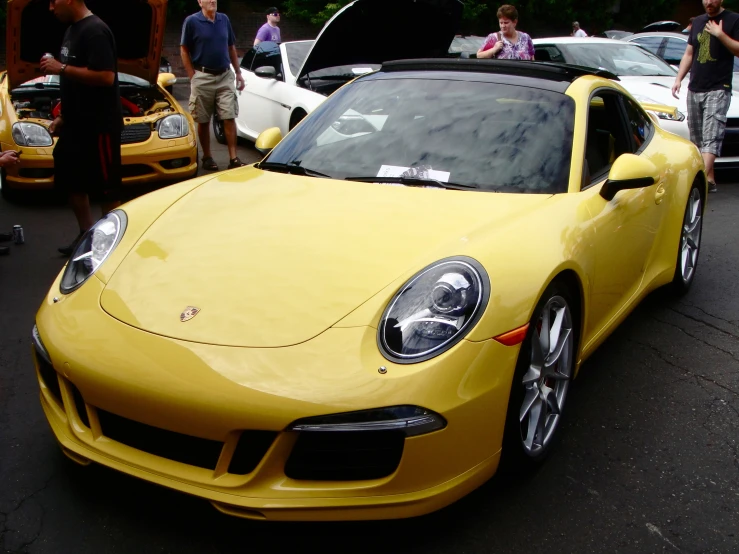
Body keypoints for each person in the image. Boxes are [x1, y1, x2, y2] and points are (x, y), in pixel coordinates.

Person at [41, 0, 123, 256]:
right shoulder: (71, 29)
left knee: (106, 187)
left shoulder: (95, 30)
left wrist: (61, 67)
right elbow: (73, 85)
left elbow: (106, 77)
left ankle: (110, 245)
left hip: (99, 125)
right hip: (75, 123)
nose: (51, 8)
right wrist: (63, 116)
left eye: (54, 2)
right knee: (71, 179)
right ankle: (87, 236)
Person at [671, 0, 739, 193]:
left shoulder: (733, 20)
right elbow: (689, 54)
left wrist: (720, 35)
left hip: (718, 87)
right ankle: (709, 179)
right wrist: (678, 79)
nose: (708, 2)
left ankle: (695, 182)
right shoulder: (699, 21)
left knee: (712, 136)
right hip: (695, 88)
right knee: (697, 139)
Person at [181, 0, 246, 172]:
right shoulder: (192, 22)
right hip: (202, 76)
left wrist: (238, 73)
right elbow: (184, 49)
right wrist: (191, 76)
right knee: (203, 120)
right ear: (200, 2)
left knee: (229, 116)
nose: (213, 1)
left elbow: (231, 47)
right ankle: (207, 157)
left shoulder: (224, 19)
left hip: (225, 75)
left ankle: (233, 158)